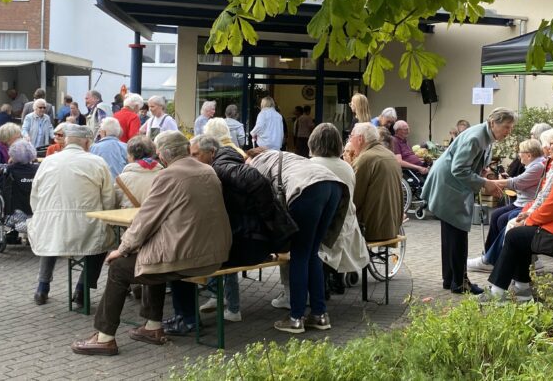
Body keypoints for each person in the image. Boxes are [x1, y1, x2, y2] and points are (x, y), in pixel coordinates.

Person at [70, 131, 231, 354]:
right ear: (186, 149)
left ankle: (104, 337)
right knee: (149, 256)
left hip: (189, 258)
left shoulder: (169, 176)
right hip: (214, 255)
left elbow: (146, 218)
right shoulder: (208, 171)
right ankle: (152, 327)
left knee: (119, 268)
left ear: (162, 156)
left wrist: (123, 248)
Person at [481, 130, 553, 301]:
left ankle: (497, 293)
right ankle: (522, 288)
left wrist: (528, 220)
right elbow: (549, 204)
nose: (551, 150)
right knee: (519, 236)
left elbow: (551, 208)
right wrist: (527, 217)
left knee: (515, 236)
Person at [192, 135, 293, 323]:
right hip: (257, 241)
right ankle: (218, 298)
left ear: (211, 153)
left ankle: (229, 308)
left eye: (196, 154)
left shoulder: (220, 167)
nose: (193, 159)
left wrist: (266, 213)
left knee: (211, 255)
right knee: (218, 247)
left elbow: (255, 179)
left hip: (251, 243)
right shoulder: (227, 161)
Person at [248, 148, 348, 334]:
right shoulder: (284, 156)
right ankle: (319, 315)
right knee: (312, 253)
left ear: (250, 158)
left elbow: (259, 201)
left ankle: (295, 318)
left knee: (300, 256)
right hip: (334, 186)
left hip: (308, 189)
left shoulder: (257, 163)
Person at [423, 107, 516, 294]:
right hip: (449, 185)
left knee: (451, 234)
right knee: (457, 234)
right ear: (492, 123)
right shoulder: (476, 138)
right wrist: (485, 184)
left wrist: (486, 176)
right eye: (506, 127)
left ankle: (451, 279)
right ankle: (459, 282)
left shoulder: (484, 136)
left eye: (510, 128)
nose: (508, 132)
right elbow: (459, 169)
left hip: (451, 184)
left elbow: (473, 164)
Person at [29, 124, 119, 307]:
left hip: (51, 224)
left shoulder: (47, 161)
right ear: (87, 143)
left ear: (66, 142)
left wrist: (41, 215)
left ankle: (42, 286)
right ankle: (82, 289)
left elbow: (35, 196)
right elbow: (108, 199)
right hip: (86, 228)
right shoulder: (97, 162)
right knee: (103, 243)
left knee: (52, 236)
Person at [467, 138, 546, 271]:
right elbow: (519, 183)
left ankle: (497, 259)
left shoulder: (538, 166)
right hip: (521, 202)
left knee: (503, 219)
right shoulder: (534, 165)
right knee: (496, 214)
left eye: (520, 152)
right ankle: (490, 256)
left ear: (529, 155)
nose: (518, 154)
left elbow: (517, 183)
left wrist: (485, 182)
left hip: (526, 205)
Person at [309, 123, 370, 296]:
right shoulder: (346, 167)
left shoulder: (311, 165)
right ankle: (334, 279)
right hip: (348, 227)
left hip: (323, 230)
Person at [349, 122, 404, 242]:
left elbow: (353, 199)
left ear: (360, 139)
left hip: (372, 228)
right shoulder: (389, 154)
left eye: (351, 136)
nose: (349, 141)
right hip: (393, 226)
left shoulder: (365, 159)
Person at [0, 139, 40, 240]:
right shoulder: (38, 169)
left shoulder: (8, 170)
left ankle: (21, 226)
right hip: (37, 213)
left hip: (14, 213)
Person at [114, 135, 162, 208]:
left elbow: (115, 204)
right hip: (158, 218)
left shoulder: (122, 179)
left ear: (131, 156)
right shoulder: (165, 174)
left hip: (131, 218)